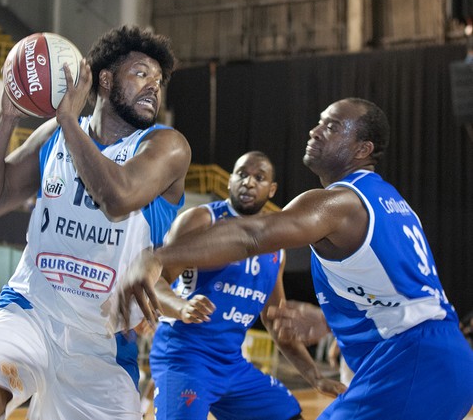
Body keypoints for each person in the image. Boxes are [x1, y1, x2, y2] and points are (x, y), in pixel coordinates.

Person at [118, 98, 473, 419]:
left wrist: (156, 256)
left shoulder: (337, 203)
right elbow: (401, 297)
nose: (315, 130)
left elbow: (250, 235)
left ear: (363, 148)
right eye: (319, 122)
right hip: (445, 358)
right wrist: (329, 323)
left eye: (332, 126)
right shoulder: (394, 203)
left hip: (410, 362)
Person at [0, 25, 191, 420]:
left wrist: (70, 124)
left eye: (159, 82)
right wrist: (6, 118)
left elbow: (118, 198)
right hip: (30, 309)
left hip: (102, 342)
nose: (153, 88)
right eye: (142, 74)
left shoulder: (166, 146)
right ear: (105, 80)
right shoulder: (55, 135)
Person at [150, 151, 346, 420]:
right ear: (230, 181)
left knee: (289, 414)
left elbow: (276, 321)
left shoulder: (276, 247)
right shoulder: (200, 219)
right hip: (186, 358)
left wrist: (315, 376)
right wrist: (181, 307)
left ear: (272, 189)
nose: (249, 182)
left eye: (259, 177)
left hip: (231, 364)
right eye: (242, 174)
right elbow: (154, 278)